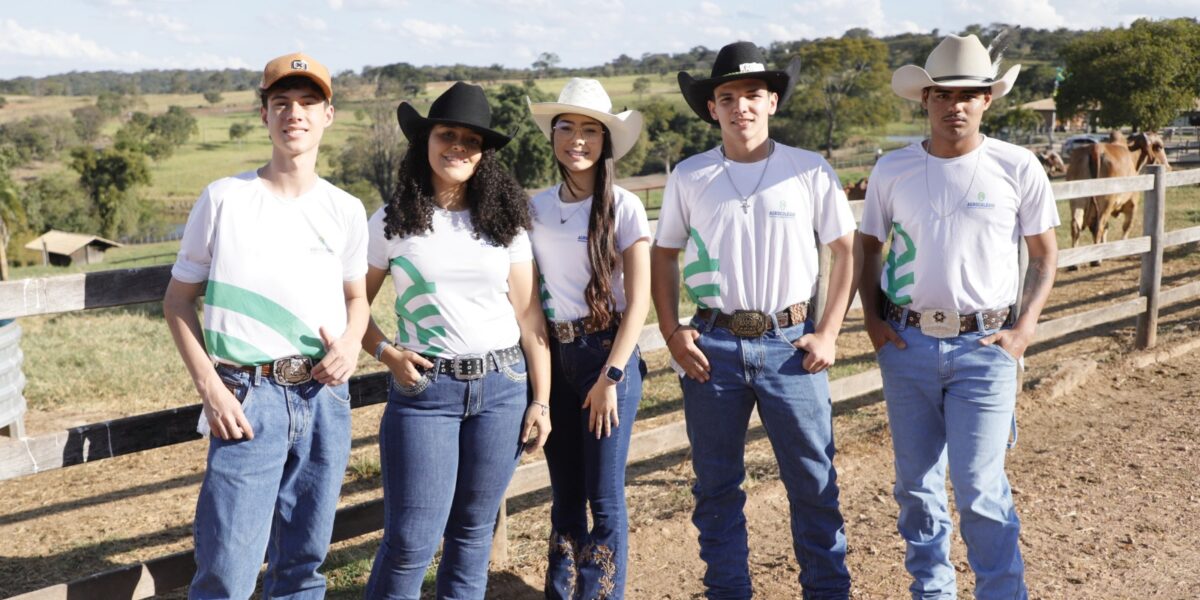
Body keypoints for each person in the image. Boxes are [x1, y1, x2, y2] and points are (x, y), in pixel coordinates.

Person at [650, 41, 856, 599]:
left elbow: (845, 250)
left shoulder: (808, 170)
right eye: (727, 97)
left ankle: (827, 592)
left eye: (752, 95)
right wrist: (671, 331)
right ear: (711, 107)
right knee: (716, 488)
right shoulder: (691, 175)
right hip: (712, 346)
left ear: (772, 102)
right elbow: (663, 254)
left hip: (791, 345)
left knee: (813, 482)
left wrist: (829, 331)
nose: (740, 106)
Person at [858, 34, 1059, 599]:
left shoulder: (1017, 166)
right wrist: (874, 322)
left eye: (968, 94)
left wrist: (1024, 329)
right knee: (916, 489)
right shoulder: (893, 169)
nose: (955, 105)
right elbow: (868, 247)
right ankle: (932, 592)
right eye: (943, 94)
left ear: (987, 99)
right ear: (925, 99)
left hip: (985, 346)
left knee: (979, 488)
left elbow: (1044, 255)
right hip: (908, 345)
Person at [163, 52, 368, 599]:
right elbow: (177, 302)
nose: (294, 113)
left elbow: (357, 299)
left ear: (328, 115)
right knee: (227, 573)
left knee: (302, 567)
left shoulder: (346, 209)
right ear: (264, 115)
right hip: (246, 398)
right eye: (281, 102)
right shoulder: (225, 199)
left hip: (324, 398)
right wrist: (212, 390)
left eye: (308, 102)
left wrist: (352, 342)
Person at [360, 81, 551, 599]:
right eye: (447, 135)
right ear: (425, 140)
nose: (459, 148)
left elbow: (529, 316)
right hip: (426, 392)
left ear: (484, 154)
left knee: (472, 534)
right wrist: (385, 352)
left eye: (472, 140)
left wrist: (541, 400)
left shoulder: (505, 223)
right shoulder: (391, 222)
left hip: (504, 388)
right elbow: (350, 305)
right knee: (410, 541)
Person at [527, 78, 650, 599]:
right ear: (553, 135)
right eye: (566, 128)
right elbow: (530, 297)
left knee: (603, 496)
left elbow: (639, 301)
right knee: (565, 496)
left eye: (590, 130)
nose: (577, 140)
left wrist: (611, 377)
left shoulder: (623, 206)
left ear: (605, 141)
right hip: (555, 358)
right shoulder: (533, 209)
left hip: (606, 356)